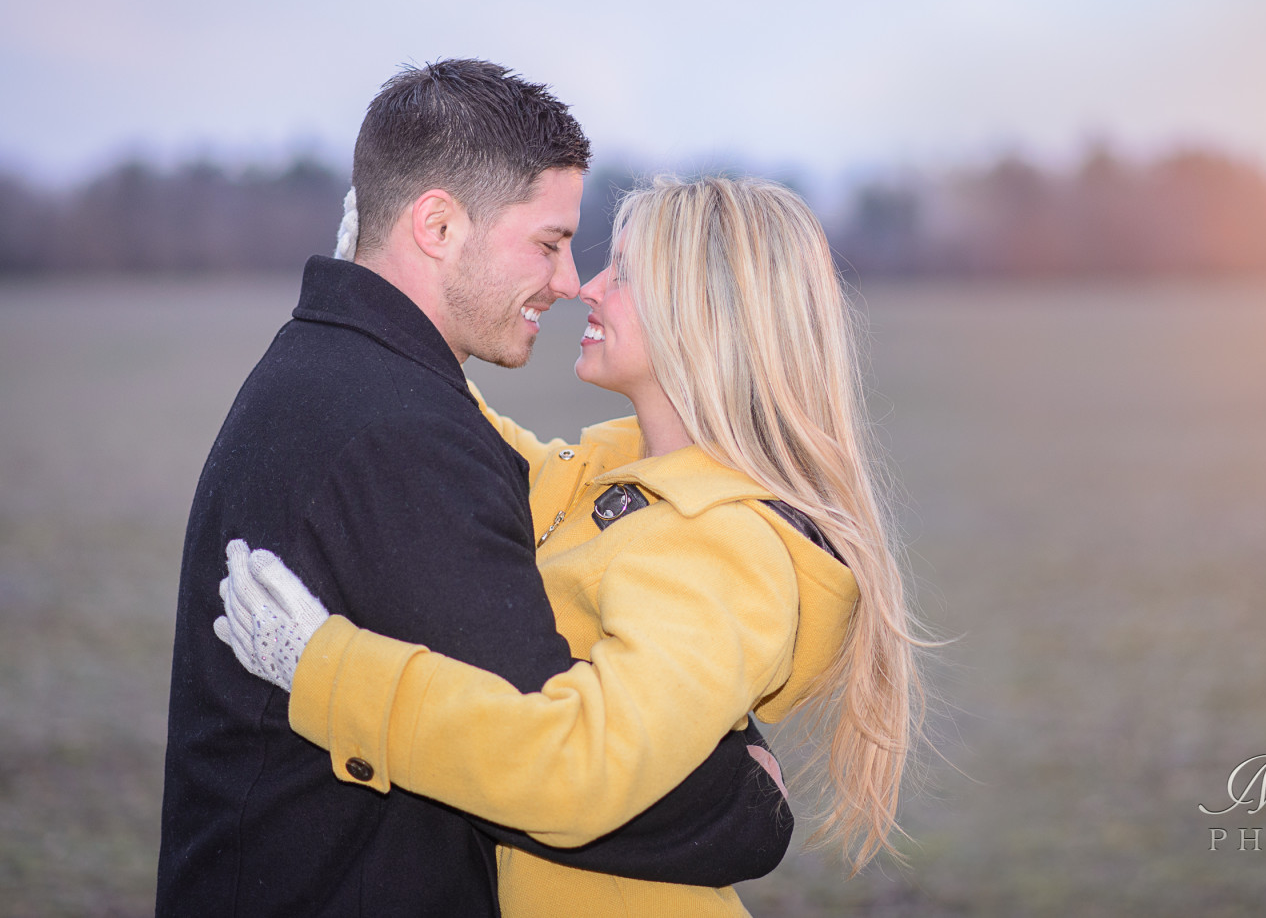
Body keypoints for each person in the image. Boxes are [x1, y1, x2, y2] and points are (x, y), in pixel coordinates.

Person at [156, 63, 791, 917]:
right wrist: (745, 810)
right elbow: (547, 759)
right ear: (439, 224)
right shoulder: (397, 433)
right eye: (548, 242)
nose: (571, 283)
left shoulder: (345, 375)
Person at [216, 176, 927, 916]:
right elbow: (459, 444)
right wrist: (384, 289)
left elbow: (580, 770)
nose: (588, 287)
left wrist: (326, 673)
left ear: (705, 315)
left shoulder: (725, 546)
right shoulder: (619, 480)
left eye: (625, 272)